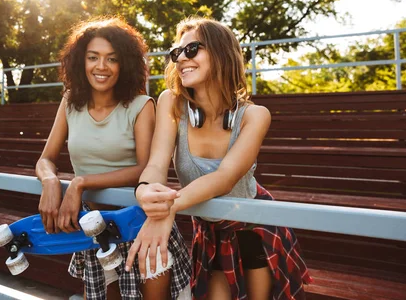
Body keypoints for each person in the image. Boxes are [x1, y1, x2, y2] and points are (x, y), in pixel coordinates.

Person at [125, 17, 312, 300]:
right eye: (177, 53)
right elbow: (156, 164)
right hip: (211, 231)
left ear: (220, 52)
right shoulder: (171, 102)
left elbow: (224, 179)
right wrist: (145, 191)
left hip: (254, 229)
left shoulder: (254, 115)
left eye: (192, 50)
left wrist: (167, 209)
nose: (181, 59)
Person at [35, 17, 191, 300]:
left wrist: (80, 182)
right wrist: (49, 180)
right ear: (81, 62)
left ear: (125, 64)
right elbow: (46, 158)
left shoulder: (141, 105)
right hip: (94, 225)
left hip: (138, 222)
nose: (101, 66)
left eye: (112, 59)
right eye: (93, 57)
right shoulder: (70, 101)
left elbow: (144, 168)